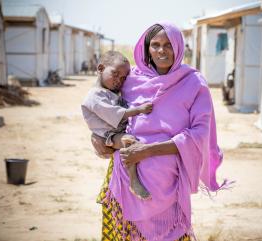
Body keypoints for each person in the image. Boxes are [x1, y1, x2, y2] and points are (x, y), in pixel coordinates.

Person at [91, 22, 227, 241]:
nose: (161, 51)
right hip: (123, 177)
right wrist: (98, 137)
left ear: (179, 47)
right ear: (147, 49)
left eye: (168, 45)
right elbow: (100, 110)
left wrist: (147, 151)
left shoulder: (194, 83)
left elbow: (200, 134)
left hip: (167, 183)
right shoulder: (130, 80)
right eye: (155, 45)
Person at [81, 50, 153, 200]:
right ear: (100, 69)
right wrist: (139, 110)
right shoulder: (94, 96)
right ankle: (134, 180)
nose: (119, 80)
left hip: (116, 131)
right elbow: (114, 113)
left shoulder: (111, 92)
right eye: (115, 74)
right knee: (129, 142)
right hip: (109, 136)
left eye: (124, 78)